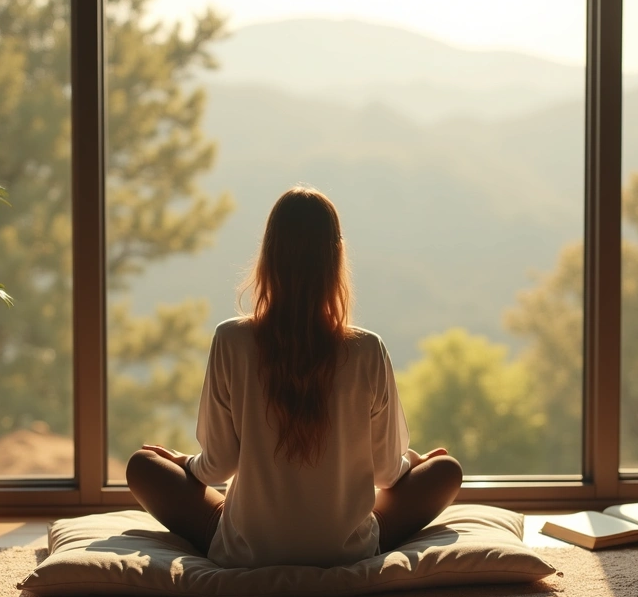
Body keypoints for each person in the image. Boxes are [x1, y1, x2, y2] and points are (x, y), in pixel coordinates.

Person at [127, 186, 463, 569]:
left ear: (267, 257)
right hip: (347, 551)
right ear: (335, 259)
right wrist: (415, 464)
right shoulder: (368, 349)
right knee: (446, 472)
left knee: (143, 466)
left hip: (247, 552)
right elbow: (387, 474)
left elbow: (217, 468)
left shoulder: (230, 340)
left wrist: (183, 464)